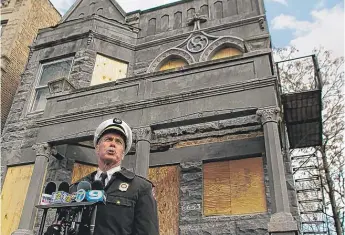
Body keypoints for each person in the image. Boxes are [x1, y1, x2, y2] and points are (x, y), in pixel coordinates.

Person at [74, 118, 159, 235]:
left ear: (123, 153)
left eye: (118, 142)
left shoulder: (141, 188)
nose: (113, 144)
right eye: (108, 139)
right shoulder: (78, 187)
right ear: (97, 147)